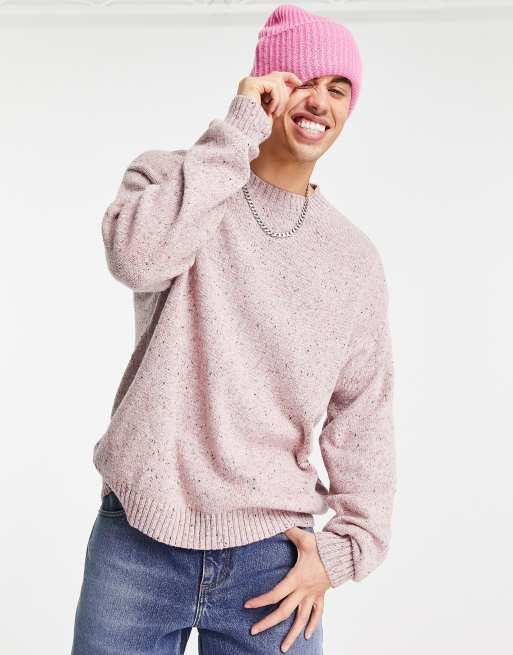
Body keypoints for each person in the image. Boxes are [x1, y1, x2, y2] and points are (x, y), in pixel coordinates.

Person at [70, 4, 397, 654]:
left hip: (272, 561)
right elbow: (134, 258)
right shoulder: (172, 179)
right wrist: (237, 130)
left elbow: (363, 416)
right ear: (264, 85)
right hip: (138, 537)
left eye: (338, 89)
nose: (319, 101)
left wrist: (343, 551)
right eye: (302, 80)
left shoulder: (353, 260)